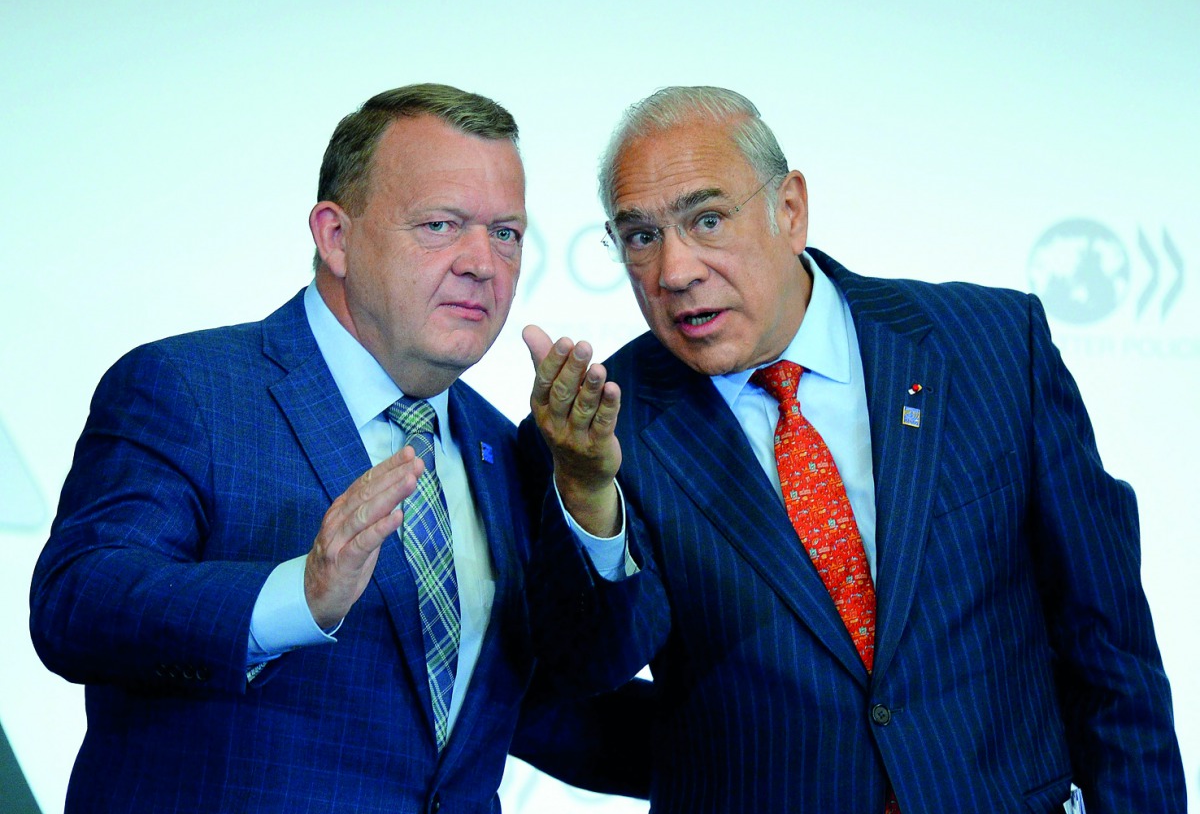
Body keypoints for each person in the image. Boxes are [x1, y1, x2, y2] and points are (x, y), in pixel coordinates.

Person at [522, 86, 1185, 813]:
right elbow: (585, 671)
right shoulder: (598, 429)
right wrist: (588, 495)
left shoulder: (993, 345)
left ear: (791, 209)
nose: (674, 270)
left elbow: (1109, 647)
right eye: (641, 237)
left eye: (706, 220)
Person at [30, 83, 647, 813]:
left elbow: (543, 708)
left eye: (507, 233)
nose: (484, 261)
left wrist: (588, 500)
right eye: (442, 225)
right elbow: (79, 604)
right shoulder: (191, 389)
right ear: (336, 237)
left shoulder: (502, 447)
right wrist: (301, 593)